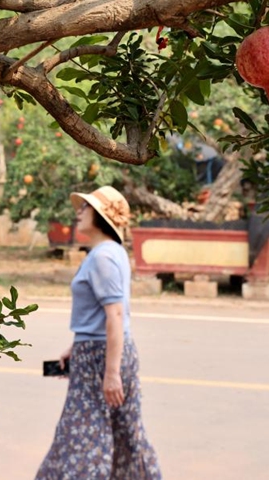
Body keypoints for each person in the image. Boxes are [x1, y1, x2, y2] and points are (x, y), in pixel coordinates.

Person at [36, 186, 162, 480]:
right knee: (125, 433)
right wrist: (76, 345)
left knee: (81, 437)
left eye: (85, 208)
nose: (78, 212)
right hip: (96, 351)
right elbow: (99, 314)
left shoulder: (103, 257)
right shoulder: (108, 253)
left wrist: (112, 372)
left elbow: (115, 315)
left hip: (102, 356)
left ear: (102, 216)